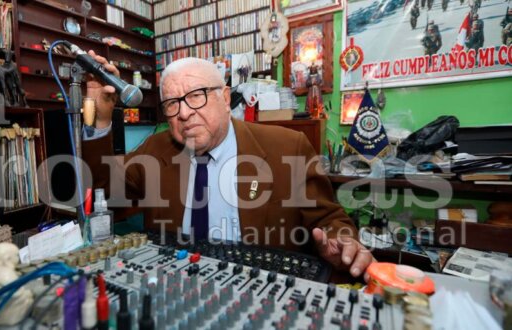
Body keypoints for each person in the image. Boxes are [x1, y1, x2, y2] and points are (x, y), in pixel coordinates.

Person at [80, 52, 375, 278]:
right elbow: (103, 194)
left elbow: (330, 220)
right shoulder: (155, 151)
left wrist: (342, 242)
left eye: (196, 96)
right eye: (172, 103)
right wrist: (100, 117)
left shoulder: (288, 147)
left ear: (223, 98)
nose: (184, 113)